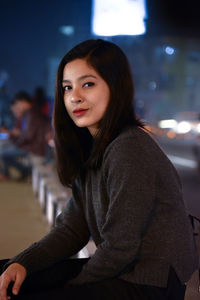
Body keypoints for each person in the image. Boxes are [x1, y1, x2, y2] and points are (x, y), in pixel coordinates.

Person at [0, 39, 198, 299]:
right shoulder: (94, 149)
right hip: (122, 268)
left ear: (115, 87)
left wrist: (69, 287)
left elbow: (120, 247)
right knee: (7, 274)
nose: (74, 96)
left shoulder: (129, 147)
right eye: (67, 87)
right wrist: (22, 262)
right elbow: (71, 230)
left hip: (150, 280)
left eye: (88, 84)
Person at [0, 91, 51, 181]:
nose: (17, 109)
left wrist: (15, 140)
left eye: (17, 106)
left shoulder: (31, 113)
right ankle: (22, 171)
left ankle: (20, 172)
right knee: (3, 148)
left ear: (23, 102)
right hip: (34, 147)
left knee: (3, 151)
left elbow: (28, 136)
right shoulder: (30, 113)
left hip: (34, 149)